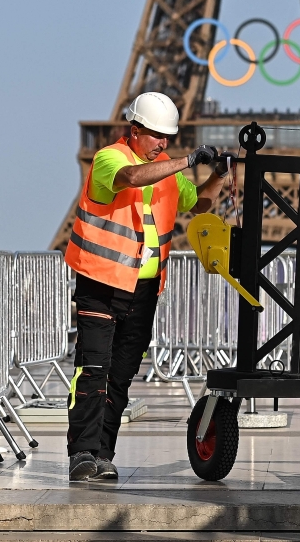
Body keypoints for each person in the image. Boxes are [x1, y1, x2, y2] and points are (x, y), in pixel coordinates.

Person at [64, 92, 229, 481]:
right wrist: (188, 161)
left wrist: (219, 175)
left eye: (168, 137)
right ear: (134, 130)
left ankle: (103, 454)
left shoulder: (170, 177)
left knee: (120, 376)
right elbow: (131, 178)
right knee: (93, 370)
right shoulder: (110, 158)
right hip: (101, 283)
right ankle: (82, 454)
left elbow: (200, 204)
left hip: (144, 290)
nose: (163, 142)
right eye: (156, 135)